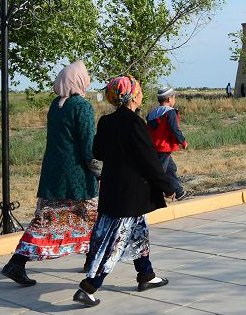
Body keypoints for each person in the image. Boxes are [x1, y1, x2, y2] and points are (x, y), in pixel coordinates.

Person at [74, 75, 175, 307]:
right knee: (114, 243)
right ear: (131, 96)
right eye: (138, 91)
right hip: (130, 193)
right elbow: (149, 160)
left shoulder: (106, 121)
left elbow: (98, 151)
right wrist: (167, 186)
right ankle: (88, 287)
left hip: (113, 188)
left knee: (139, 233)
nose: (141, 95)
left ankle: (146, 275)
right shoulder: (134, 123)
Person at [1, 61, 99, 287]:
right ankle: (91, 261)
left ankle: (18, 262)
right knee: (92, 215)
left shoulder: (56, 105)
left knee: (46, 219)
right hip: (76, 176)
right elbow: (88, 144)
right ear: (79, 81)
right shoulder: (81, 106)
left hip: (53, 174)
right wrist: (99, 170)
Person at [146, 87, 190, 201]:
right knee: (159, 173)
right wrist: (183, 141)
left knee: (171, 168)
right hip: (163, 147)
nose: (174, 100)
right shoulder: (170, 112)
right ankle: (151, 196)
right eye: (174, 97)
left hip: (153, 147)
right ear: (169, 98)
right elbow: (174, 129)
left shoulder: (152, 113)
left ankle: (179, 192)